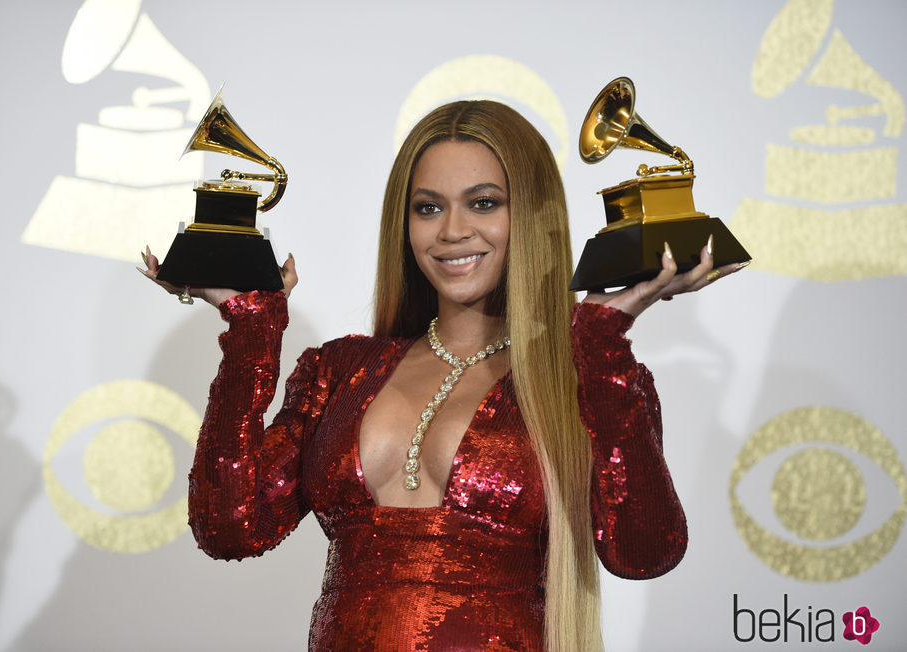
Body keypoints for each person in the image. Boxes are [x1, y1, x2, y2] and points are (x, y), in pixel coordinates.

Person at [141, 100, 745, 651]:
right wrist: (250, 334)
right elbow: (228, 528)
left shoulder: (587, 378)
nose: (453, 231)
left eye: (484, 203)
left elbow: (645, 552)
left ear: (532, 216)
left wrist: (601, 342)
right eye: (428, 208)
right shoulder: (338, 371)